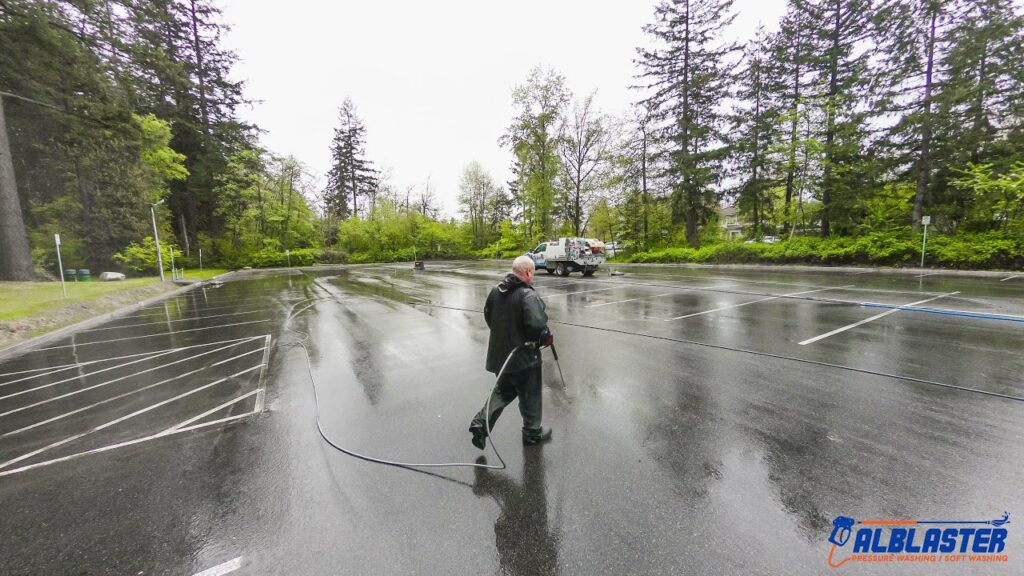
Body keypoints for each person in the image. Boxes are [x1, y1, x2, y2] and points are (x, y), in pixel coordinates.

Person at [469, 255, 553, 448]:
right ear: (528, 272)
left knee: (503, 391)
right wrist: (545, 336)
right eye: (533, 273)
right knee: (530, 395)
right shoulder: (527, 295)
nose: (533, 277)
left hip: (501, 357)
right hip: (524, 359)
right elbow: (537, 326)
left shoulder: (494, 291)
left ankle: (481, 423)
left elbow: (489, 317)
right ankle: (532, 433)